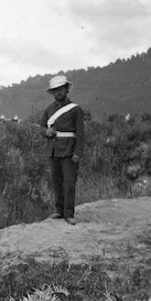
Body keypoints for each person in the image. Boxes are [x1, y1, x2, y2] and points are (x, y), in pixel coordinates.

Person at [41, 75, 85, 225]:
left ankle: (69, 213)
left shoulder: (76, 110)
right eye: (55, 90)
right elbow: (42, 127)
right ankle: (59, 210)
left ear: (66, 89)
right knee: (56, 182)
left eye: (61, 89)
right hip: (53, 150)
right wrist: (46, 132)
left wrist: (78, 152)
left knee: (69, 182)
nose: (58, 92)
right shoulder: (49, 110)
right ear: (52, 93)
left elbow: (81, 133)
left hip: (68, 150)